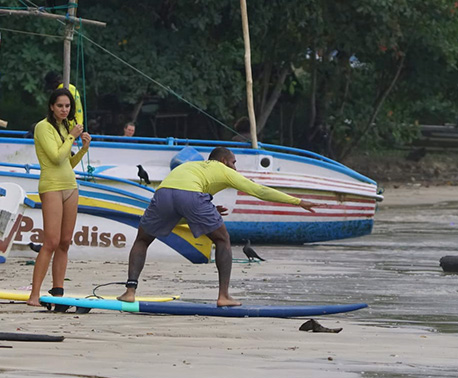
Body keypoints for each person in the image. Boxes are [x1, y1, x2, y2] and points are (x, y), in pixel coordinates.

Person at [118, 147, 319, 306]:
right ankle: (223, 296)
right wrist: (298, 201)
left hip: (163, 192)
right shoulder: (223, 169)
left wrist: (207, 210)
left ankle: (130, 291)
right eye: (234, 163)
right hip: (191, 196)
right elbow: (259, 191)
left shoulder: (190, 166)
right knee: (223, 239)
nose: (235, 168)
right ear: (223, 161)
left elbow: (177, 206)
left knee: (143, 240)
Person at [27, 88, 92, 307]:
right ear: (52, 107)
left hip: (70, 186)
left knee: (65, 242)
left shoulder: (65, 127)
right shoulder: (43, 127)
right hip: (52, 186)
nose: (64, 110)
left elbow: (68, 162)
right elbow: (55, 158)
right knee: (51, 242)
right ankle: (34, 295)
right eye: (60, 106)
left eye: (67, 106)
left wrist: (83, 149)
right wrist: (72, 135)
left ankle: (58, 291)